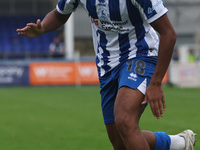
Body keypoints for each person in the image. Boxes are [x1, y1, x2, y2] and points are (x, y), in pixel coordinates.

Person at [17, 0, 196, 149]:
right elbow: (59, 13)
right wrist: (43, 28)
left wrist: (156, 83)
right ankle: (178, 143)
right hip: (106, 65)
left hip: (140, 54)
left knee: (125, 120)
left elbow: (169, 33)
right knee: (119, 141)